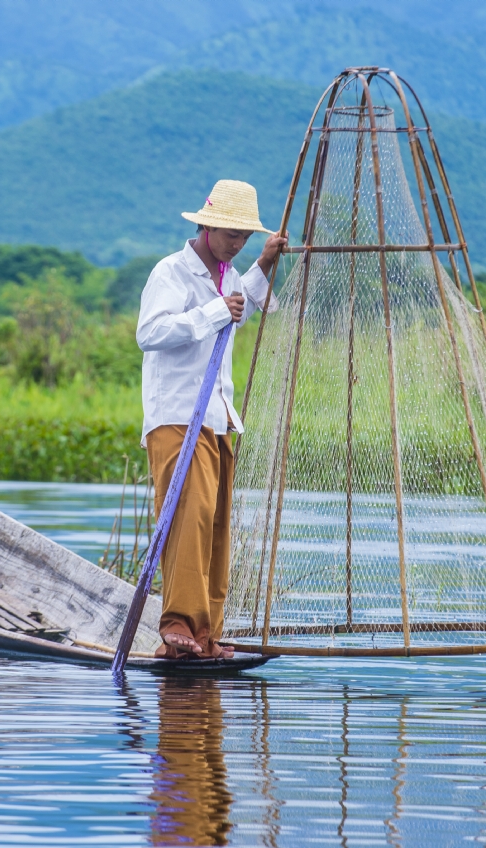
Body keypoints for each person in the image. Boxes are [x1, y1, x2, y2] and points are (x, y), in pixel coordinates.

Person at [136, 179, 287, 659]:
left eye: (243, 238)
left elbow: (251, 299)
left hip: (219, 419)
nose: (235, 244)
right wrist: (212, 312)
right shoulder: (172, 273)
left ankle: (206, 635)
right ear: (204, 225)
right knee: (190, 517)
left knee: (218, 526)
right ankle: (178, 624)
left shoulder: (230, 276)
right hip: (178, 416)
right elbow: (150, 333)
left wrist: (263, 262)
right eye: (229, 235)